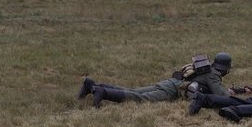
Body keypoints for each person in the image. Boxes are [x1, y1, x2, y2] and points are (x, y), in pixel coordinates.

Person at [81, 53, 233, 106]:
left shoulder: (207, 68)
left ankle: (92, 86)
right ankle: (103, 92)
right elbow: (222, 96)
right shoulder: (213, 75)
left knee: (132, 91)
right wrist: (233, 93)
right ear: (226, 68)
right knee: (140, 99)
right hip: (172, 90)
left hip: (170, 83)